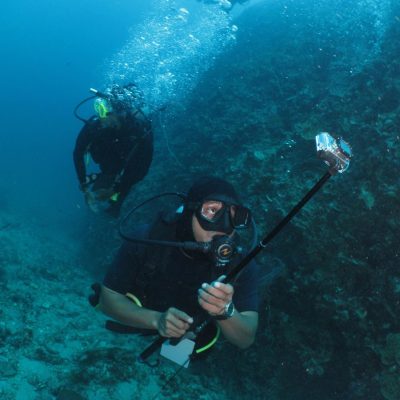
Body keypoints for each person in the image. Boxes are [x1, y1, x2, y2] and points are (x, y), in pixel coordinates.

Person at [97, 176, 259, 355]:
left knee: (181, 359)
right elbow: (107, 301)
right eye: (212, 211)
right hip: (139, 320)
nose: (224, 226)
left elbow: (245, 339)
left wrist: (225, 311)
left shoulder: (241, 263)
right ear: (190, 211)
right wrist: (156, 321)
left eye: (234, 216)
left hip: (188, 339)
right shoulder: (148, 239)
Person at [73, 83, 153, 217]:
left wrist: (115, 189)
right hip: (109, 162)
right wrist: (84, 185)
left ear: (120, 112)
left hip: (128, 166)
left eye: (104, 110)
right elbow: (78, 153)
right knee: (100, 190)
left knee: (116, 198)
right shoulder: (95, 126)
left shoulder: (139, 131)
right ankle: (106, 183)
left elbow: (141, 172)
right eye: (98, 108)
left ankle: (116, 202)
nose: (100, 116)